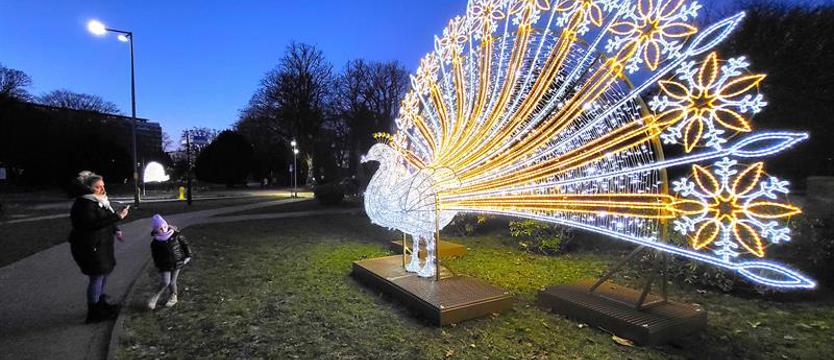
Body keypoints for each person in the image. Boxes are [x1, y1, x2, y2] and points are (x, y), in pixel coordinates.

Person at [68, 171, 129, 323]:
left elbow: (104, 218)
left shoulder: (98, 200)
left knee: (103, 274)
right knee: (96, 277)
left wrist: (116, 229)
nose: (102, 189)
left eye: (103, 186)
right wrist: (117, 217)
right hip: (90, 247)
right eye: (97, 187)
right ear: (88, 188)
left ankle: (100, 305)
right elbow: (90, 224)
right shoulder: (84, 204)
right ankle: (94, 312)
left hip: (101, 245)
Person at [148, 214, 192, 310]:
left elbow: (185, 244)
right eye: (160, 228)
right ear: (156, 230)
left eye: (164, 226)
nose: (163, 230)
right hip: (164, 265)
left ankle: (173, 297)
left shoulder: (176, 235)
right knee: (165, 282)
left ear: (167, 225)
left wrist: (188, 255)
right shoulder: (156, 242)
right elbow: (155, 255)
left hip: (177, 262)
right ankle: (155, 297)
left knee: (172, 282)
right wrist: (158, 265)